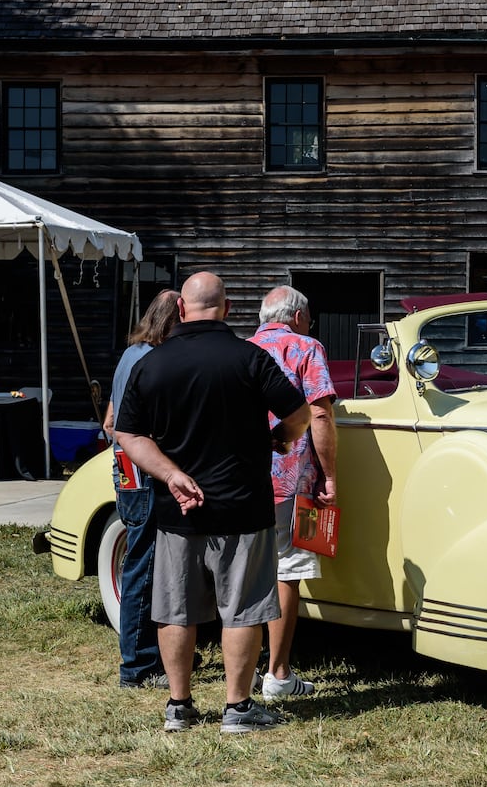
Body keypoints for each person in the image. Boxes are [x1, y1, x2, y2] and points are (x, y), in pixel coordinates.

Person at [114, 272, 308, 734]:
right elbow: (300, 414)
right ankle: (238, 709)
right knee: (242, 608)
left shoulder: (151, 364)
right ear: (228, 307)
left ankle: (179, 706)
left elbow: (127, 434)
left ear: (180, 309)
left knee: (175, 609)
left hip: (176, 509)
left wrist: (172, 474)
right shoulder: (250, 358)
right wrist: (279, 439)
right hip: (243, 505)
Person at [248, 286, 338, 703]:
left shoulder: (242, 349)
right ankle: (278, 674)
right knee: (288, 571)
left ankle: (243, 670)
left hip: (242, 479)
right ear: (299, 316)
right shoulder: (306, 347)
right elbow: (318, 412)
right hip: (290, 479)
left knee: (244, 573)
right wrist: (329, 475)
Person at [103, 289, 181, 689]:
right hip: (145, 470)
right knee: (144, 565)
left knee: (143, 561)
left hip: (125, 470)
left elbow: (109, 421)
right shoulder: (154, 359)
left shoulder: (129, 355)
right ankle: (138, 666)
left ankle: (153, 652)